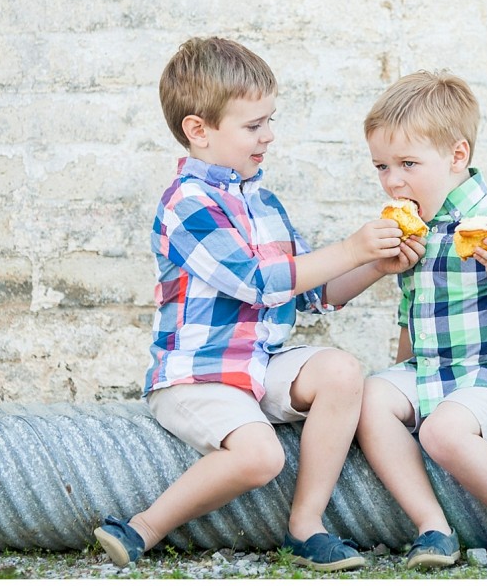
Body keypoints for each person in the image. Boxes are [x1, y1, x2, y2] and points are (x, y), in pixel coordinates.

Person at [94, 37, 417, 571]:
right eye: (253, 126)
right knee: (261, 455)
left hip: (258, 366)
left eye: (270, 120)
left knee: (341, 369)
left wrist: (374, 267)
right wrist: (351, 247)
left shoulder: (264, 202)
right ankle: (142, 528)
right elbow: (256, 281)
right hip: (198, 375)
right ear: (198, 130)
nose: (268, 136)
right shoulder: (187, 204)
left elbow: (311, 292)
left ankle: (306, 525)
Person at [355, 70, 487, 571]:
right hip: (431, 370)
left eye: (408, 163)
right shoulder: (412, 226)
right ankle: (433, 528)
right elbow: (413, 315)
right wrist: (398, 384)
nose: (393, 180)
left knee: (442, 433)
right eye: (382, 166)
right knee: (367, 398)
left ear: (457, 156)